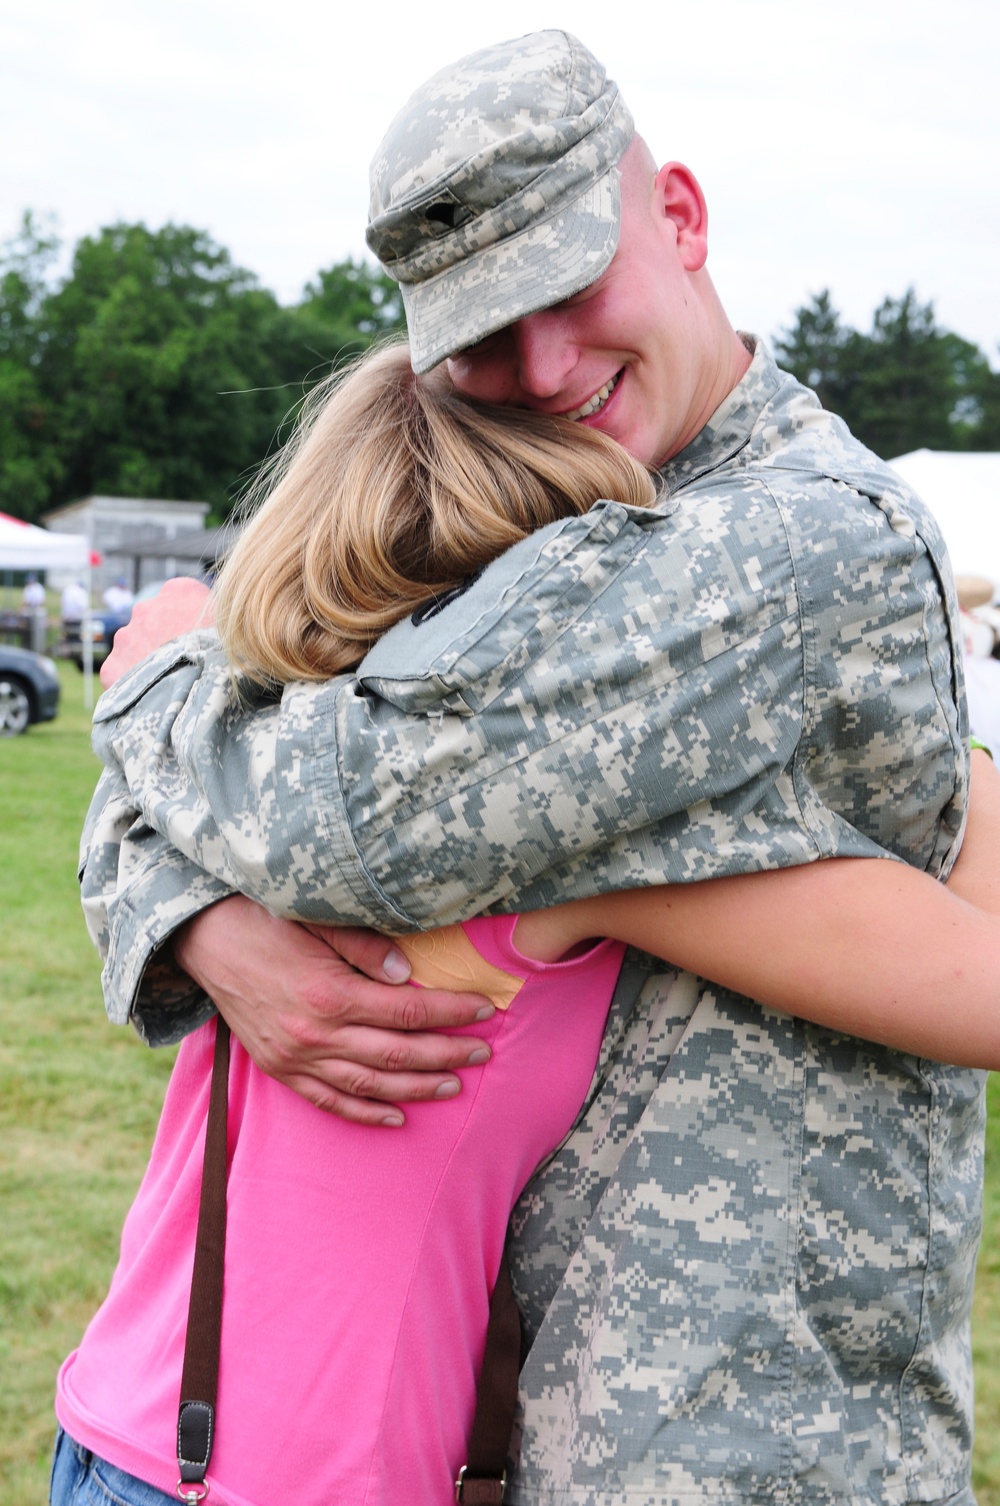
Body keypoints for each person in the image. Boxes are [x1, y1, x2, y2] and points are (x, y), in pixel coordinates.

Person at [81, 32, 982, 1505]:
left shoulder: (770, 542)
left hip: (749, 1448)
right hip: (540, 1431)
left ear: (682, 218)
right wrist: (198, 918)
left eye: (571, 290)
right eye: (486, 337)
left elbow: (348, 812)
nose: (545, 370)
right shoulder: (567, 513)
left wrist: (154, 670)